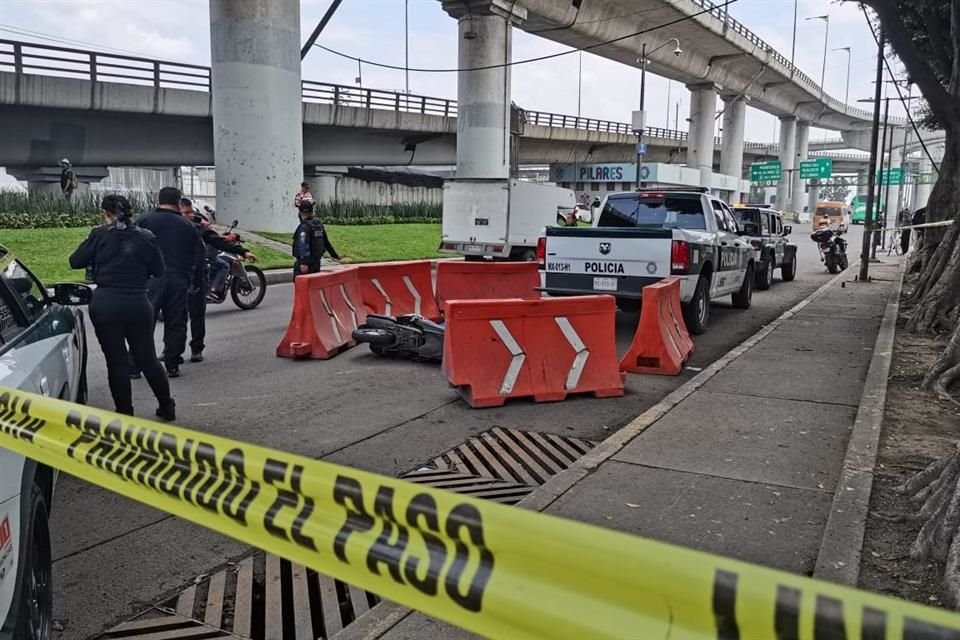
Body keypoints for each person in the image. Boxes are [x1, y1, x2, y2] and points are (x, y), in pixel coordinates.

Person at [69, 195, 176, 420]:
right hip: (138, 302)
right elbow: (159, 270)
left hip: (106, 303)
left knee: (116, 361)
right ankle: (167, 406)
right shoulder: (147, 237)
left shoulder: (99, 235)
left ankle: (125, 413)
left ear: (106, 213)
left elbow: (75, 260)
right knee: (148, 358)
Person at [136, 186, 205, 378]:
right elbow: (198, 257)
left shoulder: (143, 221)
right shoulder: (187, 226)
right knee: (176, 321)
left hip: (149, 281)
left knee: (143, 323)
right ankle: (172, 363)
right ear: (178, 202)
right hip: (178, 279)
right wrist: (196, 282)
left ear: (158, 200)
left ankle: (136, 364)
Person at [179, 197, 257, 362]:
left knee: (197, 316)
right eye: (185, 213)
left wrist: (243, 251)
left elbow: (217, 240)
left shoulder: (199, 227)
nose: (189, 215)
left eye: (190, 212)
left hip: (197, 276)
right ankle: (172, 351)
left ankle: (196, 349)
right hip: (178, 278)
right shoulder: (170, 228)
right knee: (176, 317)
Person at [293, 201, 340, 276]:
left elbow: (303, 244)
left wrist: (303, 263)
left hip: (306, 265)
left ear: (300, 212)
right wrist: (334, 255)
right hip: (316, 263)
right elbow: (326, 242)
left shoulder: (304, 227)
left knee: (301, 286)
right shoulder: (318, 225)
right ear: (312, 211)